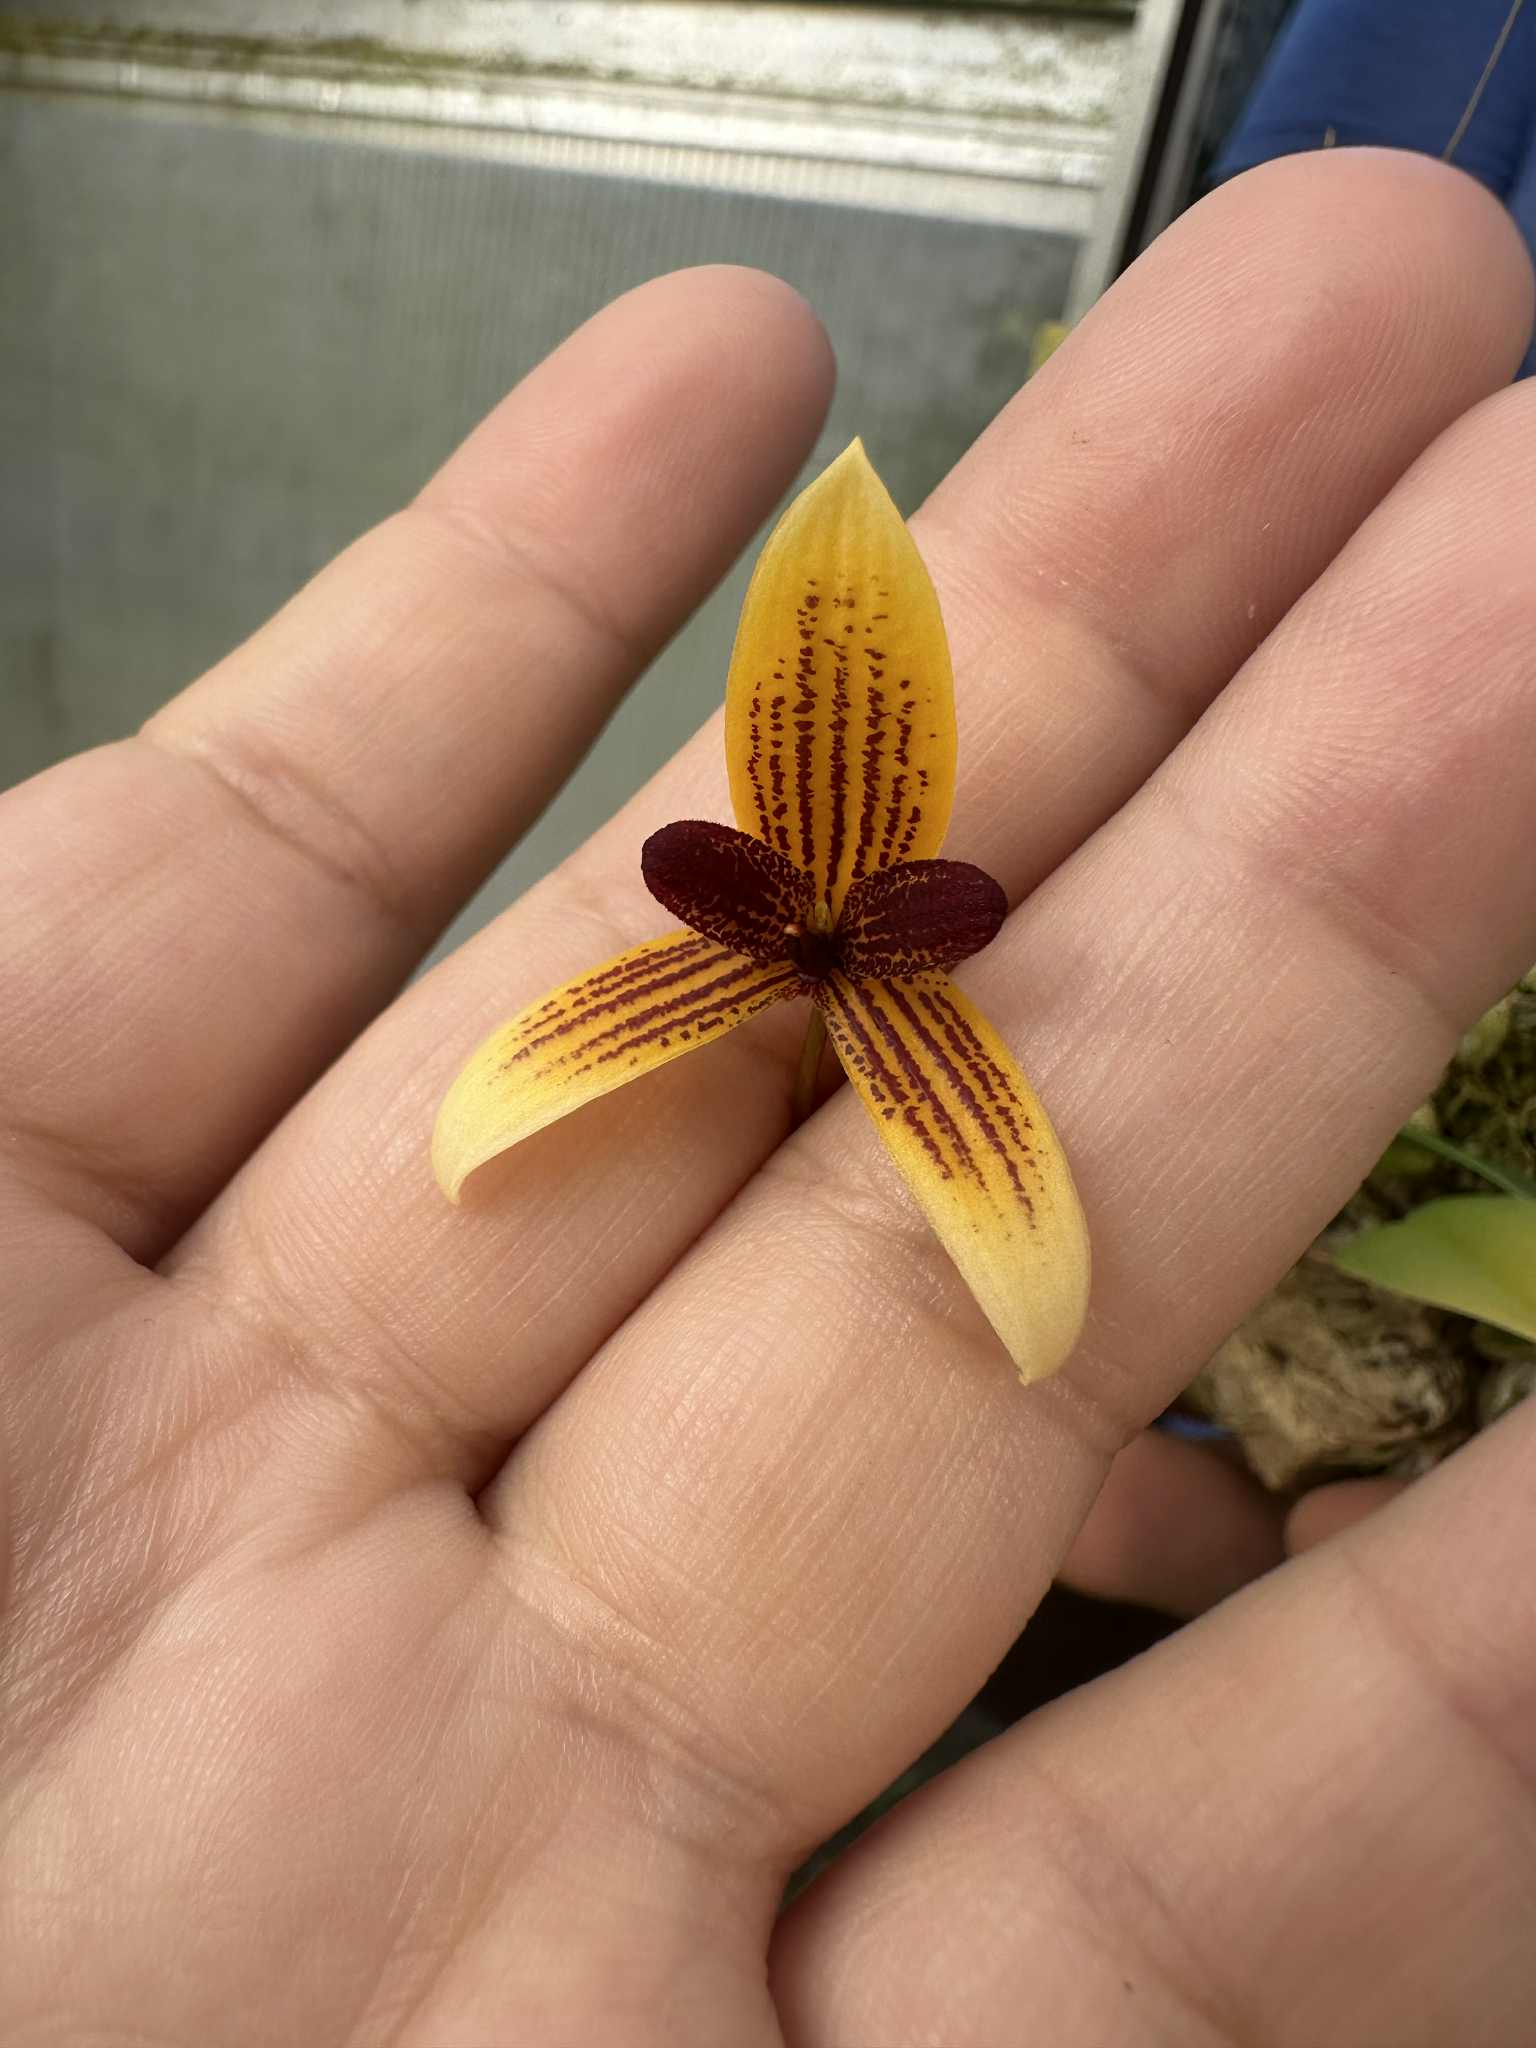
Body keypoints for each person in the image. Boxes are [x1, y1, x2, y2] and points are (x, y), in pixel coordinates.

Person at [2, 147, 1534, 2042]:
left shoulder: (906, 1012)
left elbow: (1024, 1246)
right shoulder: (729, 974)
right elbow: (502, 1102)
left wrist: (974, 1192)